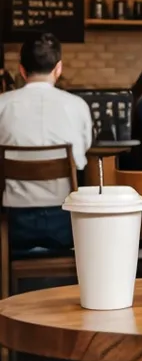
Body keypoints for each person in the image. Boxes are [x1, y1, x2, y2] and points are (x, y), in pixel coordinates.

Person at [0, 33, 92, 251]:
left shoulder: (2, 105)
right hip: (65, 222)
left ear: (22, 70)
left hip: (14, 223)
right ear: (58, 68)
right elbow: (81, 157)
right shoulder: (77, 106)